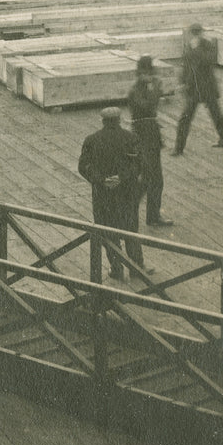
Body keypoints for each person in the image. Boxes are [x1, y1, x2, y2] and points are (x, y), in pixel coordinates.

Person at [78, 107, 146, 282]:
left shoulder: (92, 140)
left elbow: (84, 167)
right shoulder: (131, 138)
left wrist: (101, 180)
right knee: (131, 230)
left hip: (104, 195)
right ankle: (136, 268)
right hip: (127, 194)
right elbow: (139, 165)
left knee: (108, 232)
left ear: (103, 120)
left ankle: (116, 269)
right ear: (119, 120)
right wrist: (121, 177)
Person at [127, 56, 174, 227]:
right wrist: (157, 90)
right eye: (146, 74)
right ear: (140, 74)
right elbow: (147, 107)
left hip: (150, 136)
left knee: (153, 179)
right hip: (143, 137)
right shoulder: (135, 91)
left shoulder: (143, 88)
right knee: (149, 179)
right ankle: (137, 211)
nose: (149, 77)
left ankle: (151, 216)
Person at [172, 23, 223, 154]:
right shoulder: (189, 47)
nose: (194, 36)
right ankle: (178, 148)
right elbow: (185, 67)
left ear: (200, 33)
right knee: (185, 118)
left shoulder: (207, 46)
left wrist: (196, 49)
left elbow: (209, 61)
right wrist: (182, 82)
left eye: (196, 33)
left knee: (216, 114)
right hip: (193, 89)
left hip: (207, 88)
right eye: (193, 33)